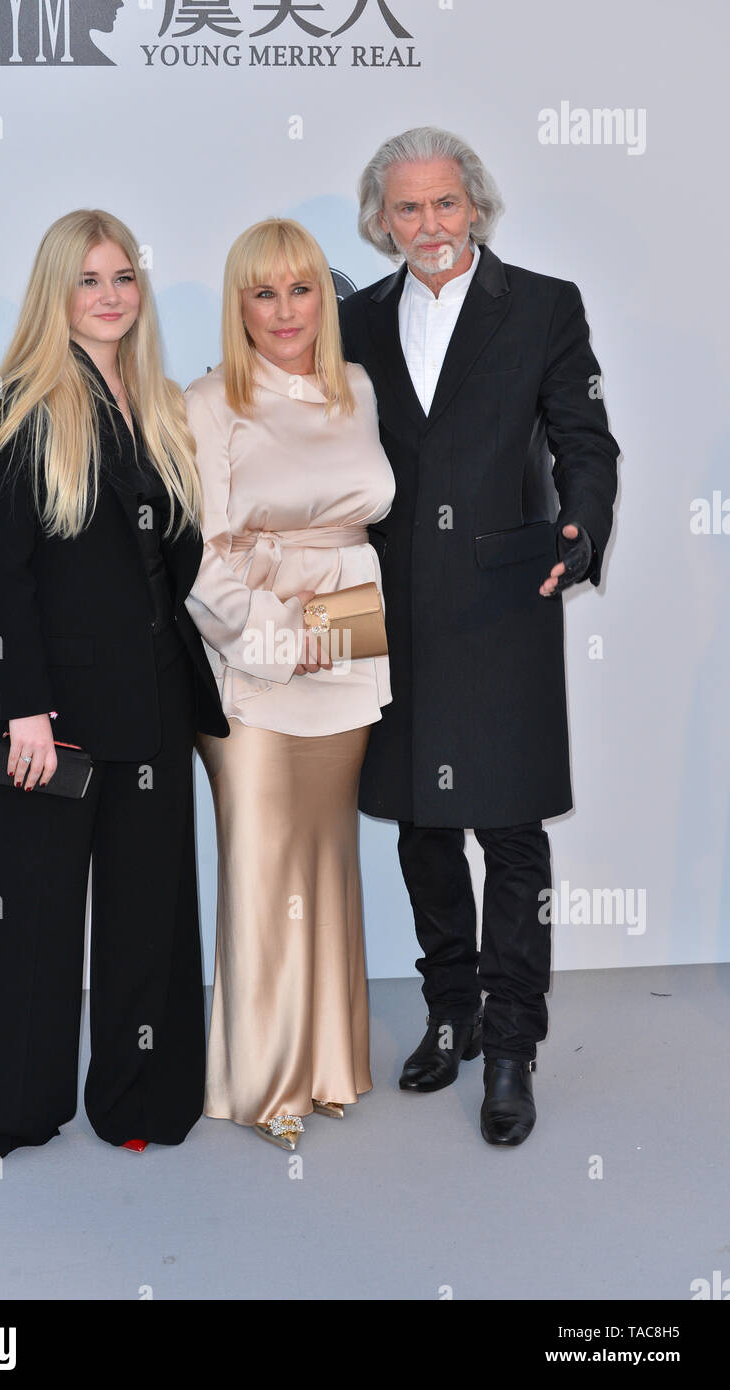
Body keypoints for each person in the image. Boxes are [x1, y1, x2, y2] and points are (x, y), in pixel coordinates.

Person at [0, 208, 229, 1167]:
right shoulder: (16, 405)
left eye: (123, 278)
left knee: (152, 915)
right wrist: (23, 707)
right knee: (23, 918)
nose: (110, 297)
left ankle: (143, 1097)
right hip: (50, 716)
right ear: (55, 294)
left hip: (154, 700)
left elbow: (178, 563)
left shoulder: (161, 404)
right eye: (89, 280)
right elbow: (1, 576)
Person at [339, 127, 619, 1146]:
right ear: (382, 220)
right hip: (391, 605)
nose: (428, 225)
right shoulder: (351, 319)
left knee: (507, 831)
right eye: (406, 208)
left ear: (476, 206)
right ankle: (450, 1011)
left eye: (444, 204)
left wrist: (579, 532)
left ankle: (511, 1043)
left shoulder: (543, 305)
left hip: (503, 599)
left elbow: (584, 438)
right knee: (418, 822)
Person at [185, 218, 395, 1150]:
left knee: (324, 861)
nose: (283, 311)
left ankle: (330, 1064)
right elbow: (194, 557)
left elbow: (362, 530)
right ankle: (263, 1078)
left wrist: (332, 633)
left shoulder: (356, 387)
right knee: (264, 863)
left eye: (300, 289)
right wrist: (276, 635)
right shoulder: (207, 400)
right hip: (253, 661)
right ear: (239, 306)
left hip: (351, 643)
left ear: (325, 296)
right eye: (262, 293)